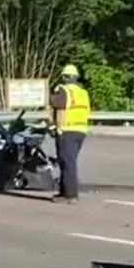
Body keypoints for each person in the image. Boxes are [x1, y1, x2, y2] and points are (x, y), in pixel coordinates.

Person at [50, 63, 91, 203]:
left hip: (67, 130)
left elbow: (58, 106)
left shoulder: (64, 91)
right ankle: (64, 192)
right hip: (81, 130)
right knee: (68, 161)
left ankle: (70, 194)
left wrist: (57, 128)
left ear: (66, 77)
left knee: (67, 162)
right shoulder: (83, 92)